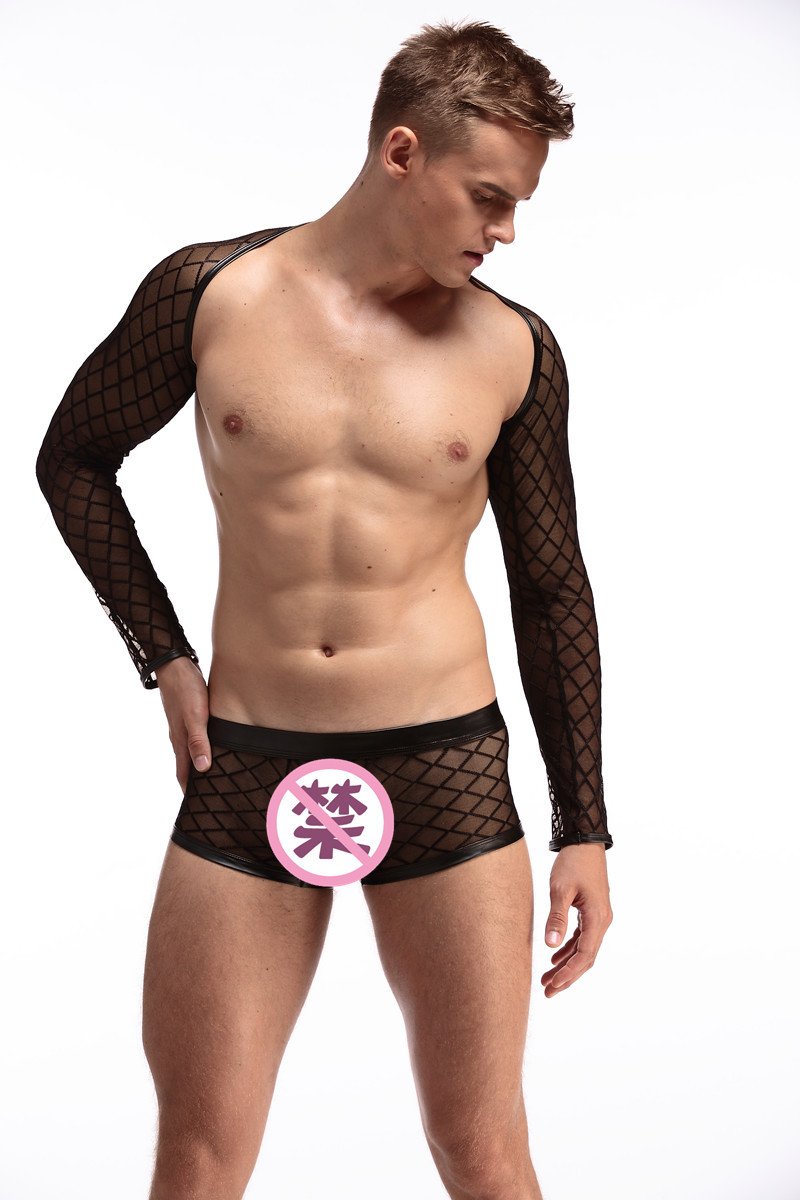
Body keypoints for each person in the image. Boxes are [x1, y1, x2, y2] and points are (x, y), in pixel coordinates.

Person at [37, 20, 612, 1200]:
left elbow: (550, 585)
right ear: (402, 153)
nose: (505, 232)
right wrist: (163, 656)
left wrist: (583, 826)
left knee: (480, 1149)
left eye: (517, 206)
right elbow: (73, 460)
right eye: (488, 198)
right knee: (200, 1155)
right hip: (246, 758)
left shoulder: (512, 350)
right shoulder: (211, 295)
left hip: (445, 764)